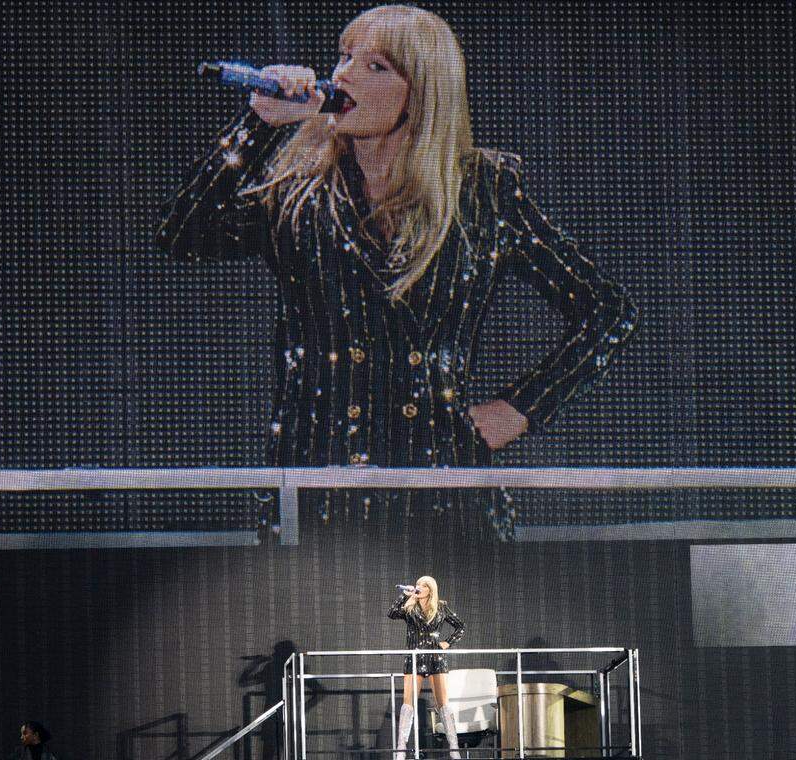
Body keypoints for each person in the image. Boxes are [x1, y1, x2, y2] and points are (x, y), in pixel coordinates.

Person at [155, 5, 637, 538]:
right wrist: (258, 125)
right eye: (344, 57)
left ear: (422, 92)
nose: (343, 76)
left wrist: (519, 409)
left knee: (442, 599)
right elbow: (183, 236)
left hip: (444, 497)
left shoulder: (482, 191)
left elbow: (608, 312)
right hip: (319, 496)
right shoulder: (299, 193)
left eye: (375, 66)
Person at [388, 576, 465, 759]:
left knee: (443, 704)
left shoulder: (441, 606)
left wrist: (447, 642)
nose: (419, 587)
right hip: (415, 658)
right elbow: (391, 613)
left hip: (435, 658)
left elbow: (460, 627)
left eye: (424, 585)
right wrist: (405, 596)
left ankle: (454, 748)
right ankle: (401, 750)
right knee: (408, 703)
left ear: (430, 589)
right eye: (418, 585)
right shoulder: (410, 607)